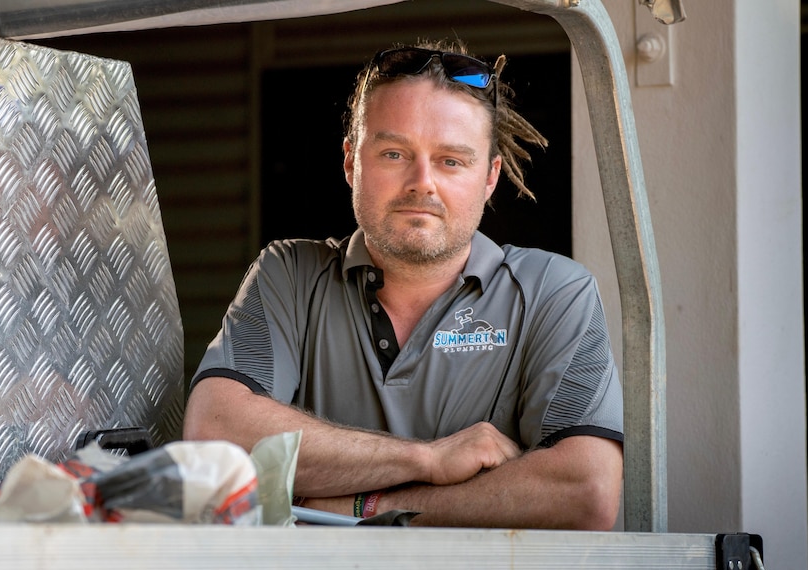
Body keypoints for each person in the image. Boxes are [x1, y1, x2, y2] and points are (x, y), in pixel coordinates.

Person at [182, 38, 624, 530]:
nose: (422, 182)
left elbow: (587, 492)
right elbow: (215, 438)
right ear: (352, 162)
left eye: (451, 161)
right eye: (394, 153)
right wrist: (429, 460)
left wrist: (364, 507)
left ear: (490, 178)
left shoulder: (554, 292)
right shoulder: (288, 275)